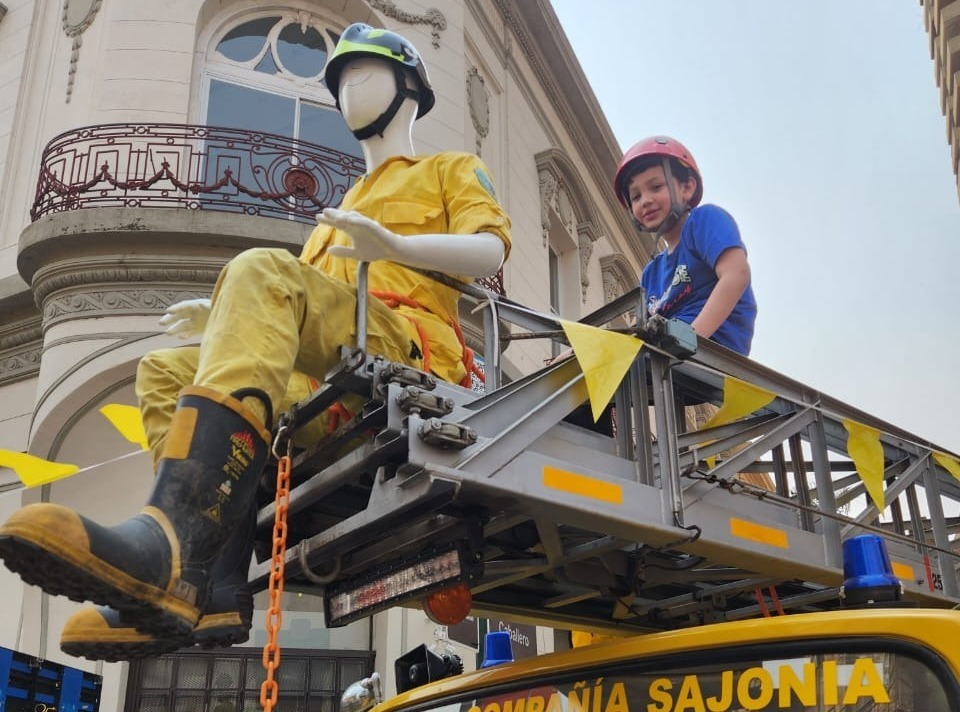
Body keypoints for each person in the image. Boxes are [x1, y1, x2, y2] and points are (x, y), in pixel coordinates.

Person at [0, 23, 511, 660]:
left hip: (404, 350)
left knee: (259, 268)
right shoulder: (342, 208)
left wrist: (398, 248)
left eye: (364, 75)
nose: (349, 91)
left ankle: (172, 543)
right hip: (332, 366)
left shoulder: (449, 168)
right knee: (163, 369)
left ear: (409, 86)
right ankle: (206, 580)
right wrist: (222, 321)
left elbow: (489, 248)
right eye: (341, 81)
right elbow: (301, 314)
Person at [614, 136, 756, 356]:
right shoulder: (651, 273)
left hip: (711, 353)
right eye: (636, 196)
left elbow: (736, 274)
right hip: (671, 365)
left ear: (687, 187)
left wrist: (689, 340)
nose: (645, 200)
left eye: (656, 187)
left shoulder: (704, 221)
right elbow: (635, 330)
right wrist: (584, 351)